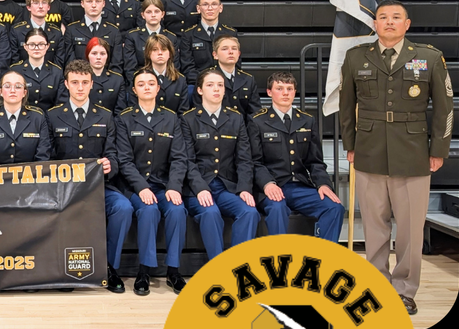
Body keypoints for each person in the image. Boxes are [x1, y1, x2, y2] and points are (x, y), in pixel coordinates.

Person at [338, 0, 454, 314]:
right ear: (374, 24)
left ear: (407, 24)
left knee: (410, 228)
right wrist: (350, 144)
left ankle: (404, 290)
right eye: (383, 17)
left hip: (413, 153)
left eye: (396, 18)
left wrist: (438, 149)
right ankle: (376, 286)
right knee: (375, 227)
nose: (389, 22)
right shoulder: (356, 57)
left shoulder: (429, 57)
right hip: (369, 151)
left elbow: (444, 108)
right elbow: (346, 108)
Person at [47, 59, 131, 293]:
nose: (80, 87)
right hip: (64, 190)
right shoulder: (53, 116)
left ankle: (110, 268)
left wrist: (109, 165)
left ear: (92, 84)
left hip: (99, 188)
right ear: (66, 84)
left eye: (85, 82)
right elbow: (47, 157)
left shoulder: (105, 116)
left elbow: (114, 156)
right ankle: (63, 269)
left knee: (123, 208)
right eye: (75, 82)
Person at [115, 68, 191, 295]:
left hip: (164, 185)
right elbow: (125, 161)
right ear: (134, 89)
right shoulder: (124, 119)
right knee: (148, 210)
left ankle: (174, 271)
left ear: (158, 88)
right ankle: (144, 271)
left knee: (177, 210)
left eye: (151, 83)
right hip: (135, 186)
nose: (146, 87)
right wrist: (142, 188)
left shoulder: (171, 118)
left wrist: (174, 187)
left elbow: (179, 158)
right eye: (141, 84)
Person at [248, 71, 344, 244]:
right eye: (280, 88)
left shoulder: (307, 121)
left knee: (334, 207)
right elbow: (254, 161)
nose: (285, 93)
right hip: (271, 186)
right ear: (269, 92)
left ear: (295, 92)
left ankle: (323, 259)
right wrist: (268, 184)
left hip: (300, 186)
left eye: (290, 89)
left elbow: (315, 161)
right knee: (277, 208)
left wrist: (323, 184)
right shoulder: (257, 121)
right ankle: (279, 261)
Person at [180, 67, 259, 260]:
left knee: (249, 212)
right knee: (211, 213)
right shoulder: (188, 119)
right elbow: (187, 160)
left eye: (220, 85)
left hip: (226, 187)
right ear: (199, 90)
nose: (216, 89)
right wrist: (200, 188)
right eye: (210, 85)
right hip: (197, 187)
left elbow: (244, 159)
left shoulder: (236, 118)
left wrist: (244, 188)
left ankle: (238, 264)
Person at [0, 71, 51, 165]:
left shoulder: (37, 117)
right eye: (7, 86)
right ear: (1, 92)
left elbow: (42, 156)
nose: (12, 90)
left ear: (24, 92)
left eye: (18, 86)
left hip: (30, 177)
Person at [177, 0, 238, 91]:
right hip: (199, 84)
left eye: (214, 4)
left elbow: (235, 64)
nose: (210, 8)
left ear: (220, 8)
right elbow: (188, 67)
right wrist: (206, 83)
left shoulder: (230, 33)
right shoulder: (188, 35)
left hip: (225, 84)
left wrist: (221, 83)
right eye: (205, 5)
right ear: (198, 8)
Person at [59, 0, 123, 70]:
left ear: (104, 3)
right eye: (89, 1)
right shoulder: (72, 30)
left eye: (98, 1)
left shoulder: (113, 31)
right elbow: (70, 63)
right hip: (80, 79)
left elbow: (116, 65)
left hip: (106, 81)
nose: (93, 5)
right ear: (82, 3)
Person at [57, 36, 126, 113]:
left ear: (107, 56)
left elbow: (120, 111)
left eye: (102, 54)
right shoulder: (77, 77)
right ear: (88, 55)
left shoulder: (117, 80)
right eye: (94, 53)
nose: (98, 57)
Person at [10, 28, 64, 112]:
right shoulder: (15, 71)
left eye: (41, 44)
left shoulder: (57, 72)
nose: (36, 48)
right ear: (25, 46)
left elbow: (60, 104)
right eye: (32, 44)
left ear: (48, 46)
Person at [123, 0, 174, 84]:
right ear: (143, 15)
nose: (153, 15)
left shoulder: (171, 37)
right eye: (149, 12)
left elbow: (173, 65)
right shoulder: (132, 36)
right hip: (141, 83)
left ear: (163, 14)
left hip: (167, 84)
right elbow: (130, 68)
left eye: (157, 11)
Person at [8, 0, 65, 64]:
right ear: (28, 7)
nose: (40, 6)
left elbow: (59, 62)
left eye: (44, 2)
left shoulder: (56, 32)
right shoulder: (17, 31)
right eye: (36, 3)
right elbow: (14, 60)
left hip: (50, 74)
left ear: (48, 7)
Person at [209, 35, 258, 118]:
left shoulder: (248, 79)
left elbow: (254, 114)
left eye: (234, 48)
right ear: (215, 55)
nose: (230, 52)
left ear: (239, 54)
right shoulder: (207, 78)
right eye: (225, 49)